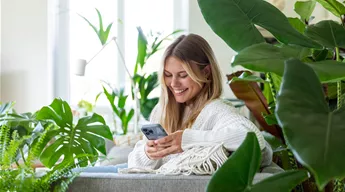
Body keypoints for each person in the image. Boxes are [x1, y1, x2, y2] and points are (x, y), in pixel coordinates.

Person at [127, 34, 272, 173]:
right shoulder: (161, 110)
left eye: (183, 75)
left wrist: (186, 139)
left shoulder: (216, 110)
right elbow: (133, 165)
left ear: (206, 72)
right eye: (168, 75)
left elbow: (254, 139)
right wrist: (148, 153)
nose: (174, 83)